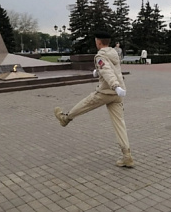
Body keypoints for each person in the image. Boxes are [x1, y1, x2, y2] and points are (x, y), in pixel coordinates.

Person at [54, 31, 134, 167]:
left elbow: (107, 71)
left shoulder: (100, 55)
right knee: (119, 124)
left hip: (107, 91)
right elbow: (111, 68)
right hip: (118, 95)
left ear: (98, 42)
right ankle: (127, 156)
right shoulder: (114, 52)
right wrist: (99, 71)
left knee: (85, 104)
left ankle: (66, 118)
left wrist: (114, 85)